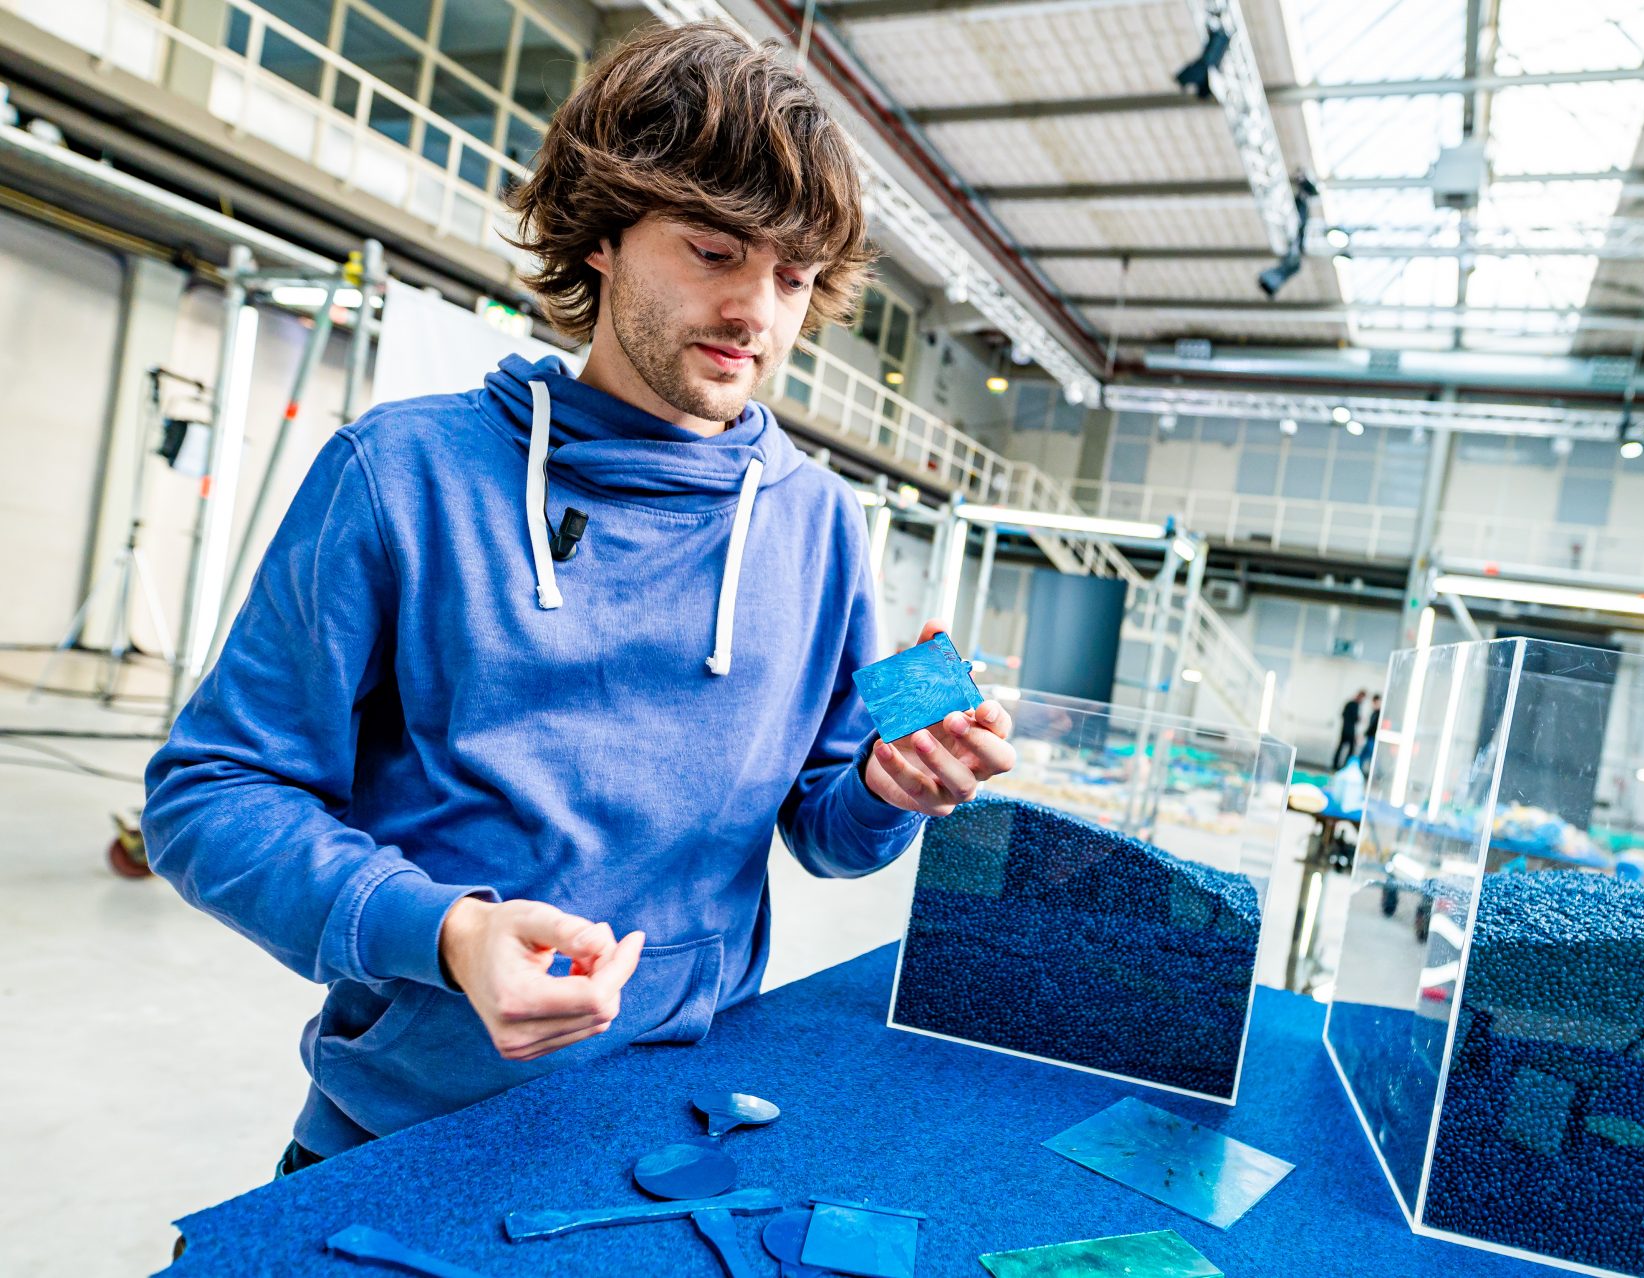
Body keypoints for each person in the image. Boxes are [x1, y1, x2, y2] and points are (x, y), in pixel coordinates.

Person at [142, 22, 1014, 1178]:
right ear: (602, 236)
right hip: (397, 1141)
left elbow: (827, 827)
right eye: (713, 252)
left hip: (678, 1136)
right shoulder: (403, 476)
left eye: (793, 279)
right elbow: (210, 794)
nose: (758, 313)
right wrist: (444, 934)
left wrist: (891, 787)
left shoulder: (815, 522)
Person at [1332, 689, 1364, 769]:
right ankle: (1346, 766)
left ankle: (1335, 765)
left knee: (1340, 748)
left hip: (1344, 729)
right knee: (1351, 749)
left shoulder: (1349, 703)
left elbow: (1343, 714)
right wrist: (1359, 719)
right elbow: (1355, 718)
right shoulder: (1355, 705)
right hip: (1350, 731)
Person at [1356, 693, 1384, 771]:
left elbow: (1373, 727)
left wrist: (1364, 734)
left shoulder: (1380, 714)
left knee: (1370, 756)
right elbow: (1371, 726)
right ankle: (1358, 770)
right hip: (1370, 737)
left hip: (1373, 738)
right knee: (1366, 756)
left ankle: (1377, 773)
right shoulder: (1375, 713)